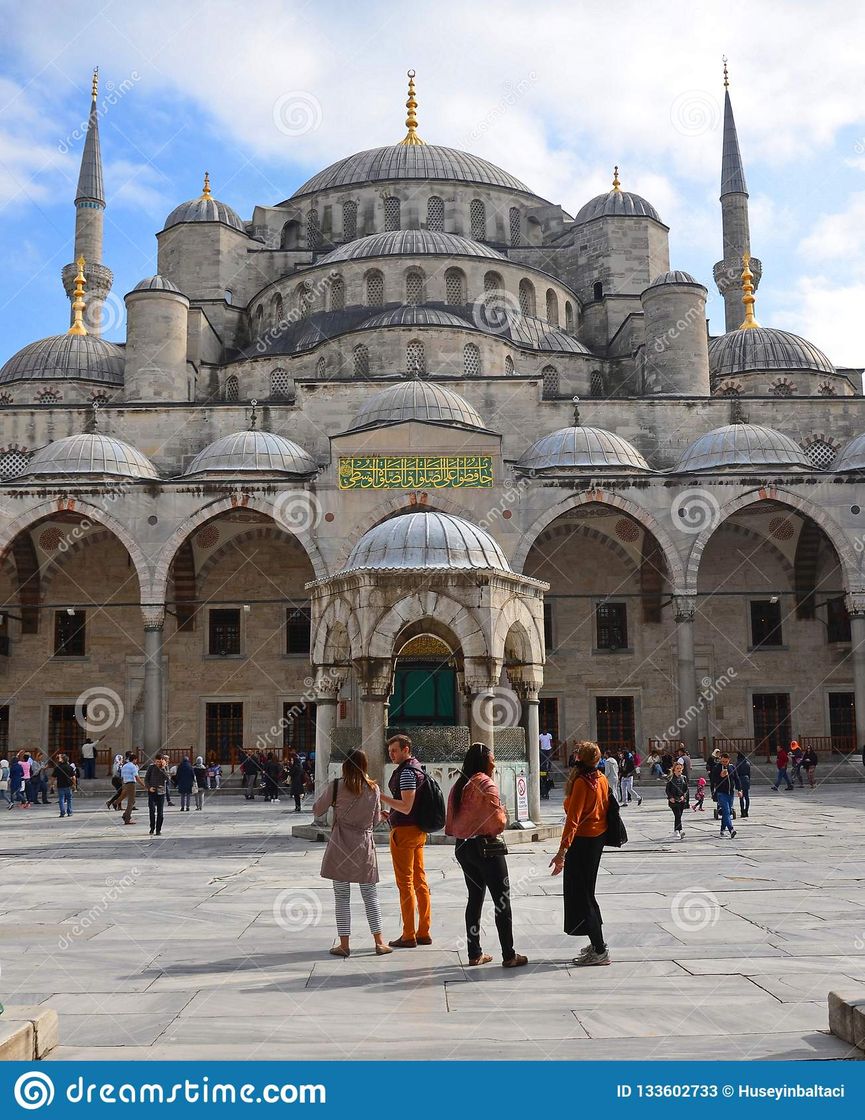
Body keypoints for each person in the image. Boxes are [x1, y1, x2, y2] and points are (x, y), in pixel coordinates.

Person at [445, 742, 527, 968]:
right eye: (492, 759)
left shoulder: (461, 783)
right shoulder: (485, 783)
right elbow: (497, 822)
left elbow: (452, 817)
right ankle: (509, 955)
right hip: (486, 849)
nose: (495, 763)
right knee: (502, 901)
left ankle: (474, 953)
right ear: (484, 762)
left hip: (463, 847)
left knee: (474, 898)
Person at [312, 749, 392, 958]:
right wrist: (382, 817)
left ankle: (344, 944)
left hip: (340, 845)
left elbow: (317, 810)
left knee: (341, 898)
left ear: (345, 765)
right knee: (370, 896)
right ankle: (379, 942)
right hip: (364, 847)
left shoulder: (337, 786)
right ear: (365, 765)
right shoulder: (373, 789)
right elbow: (374, 822)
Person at [550, 741, 611, 966]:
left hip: (582, 842)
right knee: (587, 893)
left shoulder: (582, 783)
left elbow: (573, 820)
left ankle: (600, 949)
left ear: (579, 759)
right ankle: (597, 944)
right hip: (597, 840)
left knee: (582, 896)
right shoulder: (601, 779)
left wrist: (561, 852)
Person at [379, 734, 432, 949]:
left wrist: (380, 796)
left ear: (406, 749)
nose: (391, 754)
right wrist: (390, 813)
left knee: (406, 883)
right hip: (417, 830)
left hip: (405, 833)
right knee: (420, 881)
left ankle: (409, 934)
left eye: (395, 750)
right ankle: (424, 931)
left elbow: (407, 806)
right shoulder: (417, 768)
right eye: (390, 751)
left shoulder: (407, 773)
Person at [712, 752, 741, 838]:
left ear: (729, 760)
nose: (724, 763)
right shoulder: (716, 768)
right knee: (726, 811)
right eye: (723, 761)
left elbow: (736, 779)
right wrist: (720, 776)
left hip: (730, 793)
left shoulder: (732, 767)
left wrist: (739, 790)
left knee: (726, 812)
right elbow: (713, 780)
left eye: (726, 761)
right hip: (721, 793)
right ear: (720, 759)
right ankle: (731, 829)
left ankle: (722, 829)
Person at [145, 753, 169, 835]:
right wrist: (149, 788)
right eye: (157, 761)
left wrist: (163, 768)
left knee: (160, 812)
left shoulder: (164, 768)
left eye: (160, 761)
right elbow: (146, 779)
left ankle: (158, 829)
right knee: (152, 810)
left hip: (161, 792)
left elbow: (167, 779)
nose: (158, 763)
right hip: (152, 791)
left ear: (162, 761)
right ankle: (152, 827)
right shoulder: (151, 767)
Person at [666, 761, 689, 839]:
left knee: (679, 816)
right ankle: (679, 830)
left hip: (681, 800)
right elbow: (667, 790)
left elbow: (686, 789)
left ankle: (677, 830)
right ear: (674, 769)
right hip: (673, 800)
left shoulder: (684, 778)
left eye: (680, 768)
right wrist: (670, 797)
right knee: (677, 815)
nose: (679, 770)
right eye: (677, 768)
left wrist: (683, 796)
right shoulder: (670, 778)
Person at [120, 752, 143, 825]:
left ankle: (125, 815)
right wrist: (143, 785)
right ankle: (127, 819)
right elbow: (136, 777)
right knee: (131, 802)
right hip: (131, 784)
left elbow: (122, 776)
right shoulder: (133, 766)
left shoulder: (124, 766)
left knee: (132, 801)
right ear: (135, 760)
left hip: (125, 783)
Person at [54, 753, 76, 817]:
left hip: (60, 785)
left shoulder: (57, 768)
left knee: (61, 799)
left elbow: (53, 777)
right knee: (69, 799)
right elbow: (74, 777)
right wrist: (74, 785)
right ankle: (69, 812)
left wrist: (52, 784)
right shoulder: (70, 767)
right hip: (68, 785)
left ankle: (62, 812)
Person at [735, 751, 751, 818]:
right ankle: (746, 811)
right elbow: (749, 773)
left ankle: (742, 811)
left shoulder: (737, 763)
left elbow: (736, 774)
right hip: (746, 779)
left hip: (740, 779)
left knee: (741, 797)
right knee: (746, 796)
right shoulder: (747, 763)